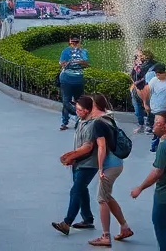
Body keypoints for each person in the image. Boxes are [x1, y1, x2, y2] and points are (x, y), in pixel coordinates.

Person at [131, 110, 166, 251]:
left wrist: (140, 187)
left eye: (157, 123)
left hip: (164, 193)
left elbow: (157, 172)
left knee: (160, 223)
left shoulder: (164, 146)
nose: (153, 125)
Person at [89, 95, 135, 247]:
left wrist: (100, 168)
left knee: (102, 199)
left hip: (109, 165)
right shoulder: (108, 118)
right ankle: (125, 227)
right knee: (107, 197)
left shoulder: (98, 123)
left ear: (94, 106)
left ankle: (105, 236)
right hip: (117, 163)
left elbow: (101, 147)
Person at [52, 95, 100, 236]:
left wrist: (71, 155)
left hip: (88, 163)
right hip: (79, 162)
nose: (76, 111)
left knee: (76, 191)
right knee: (81, 190)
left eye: (79, 109)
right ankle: (87, 219)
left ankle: (67, 223)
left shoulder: (92, 125)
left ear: (86, 110)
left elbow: (87, 147)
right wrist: (74, 157)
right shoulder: (81, 120)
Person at [58, 34, 90, 131]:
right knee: (66, 101)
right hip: (67, 79)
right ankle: (66, 121)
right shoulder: (65, 51)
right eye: (73, 42)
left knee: (77, 101)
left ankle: (77, 121)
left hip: (78, 79)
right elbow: (61, 63)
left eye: (76, 42)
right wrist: (65, 64)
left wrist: (81, 62)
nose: (74, 44)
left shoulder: (83, 51)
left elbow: (86, 63)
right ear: (70, 42)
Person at [129, 50, 153, 134]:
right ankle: (143, 124)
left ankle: (147, 125)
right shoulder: (139, 66)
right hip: (137, 91)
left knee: (148, 108)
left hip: (143, 91)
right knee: (139, 110)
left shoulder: (145, 68)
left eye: (138, 56)